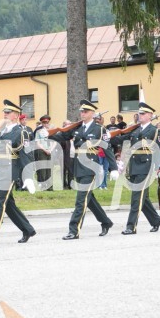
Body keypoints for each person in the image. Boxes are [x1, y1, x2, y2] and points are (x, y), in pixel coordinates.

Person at [49, 99, 118, 240]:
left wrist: (114, 168)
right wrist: (48, 134)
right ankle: (106, 222)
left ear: (92, 113)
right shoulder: (77, 128)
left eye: (85, 111)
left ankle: (73, 230)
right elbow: (62, 136)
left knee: (80, 200)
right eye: (81, 111)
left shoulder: (99, 129)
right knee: (88, 199)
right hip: (78, 167)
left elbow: (107, 148)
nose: (82, 113)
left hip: (90, 167)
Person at [0, 99, 37, 247]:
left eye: (8, 112)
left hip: (10, 170)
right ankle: (27, 229)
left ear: (16, 115)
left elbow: (26, 155)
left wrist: (28, 177)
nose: (5, 114)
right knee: (8, 205)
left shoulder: (22, 132)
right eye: (4, 112)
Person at [121, 102, 160, 234]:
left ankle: (131, 226)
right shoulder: (135, 130)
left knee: (136, 198)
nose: (140, 115)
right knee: (143, 198)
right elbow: (121, 139)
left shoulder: (155, 131)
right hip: (134, 167)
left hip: (146, 167)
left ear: (150, 115)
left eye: (143, 114)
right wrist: (107, 136)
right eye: (139, 113)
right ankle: (156, 221)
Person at [33, 115, 54, 190]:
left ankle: (49, 186)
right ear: (42, 123)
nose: (46, 124)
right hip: (42, 151)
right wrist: (45, 150)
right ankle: (42, 185)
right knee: (42, 169)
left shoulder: (51, 131)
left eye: (47, 122)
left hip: (49, 151)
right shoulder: (38, 131)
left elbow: (53, 142)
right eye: (44, 122)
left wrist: (50, 150)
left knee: (49, 169)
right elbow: (37, 143)